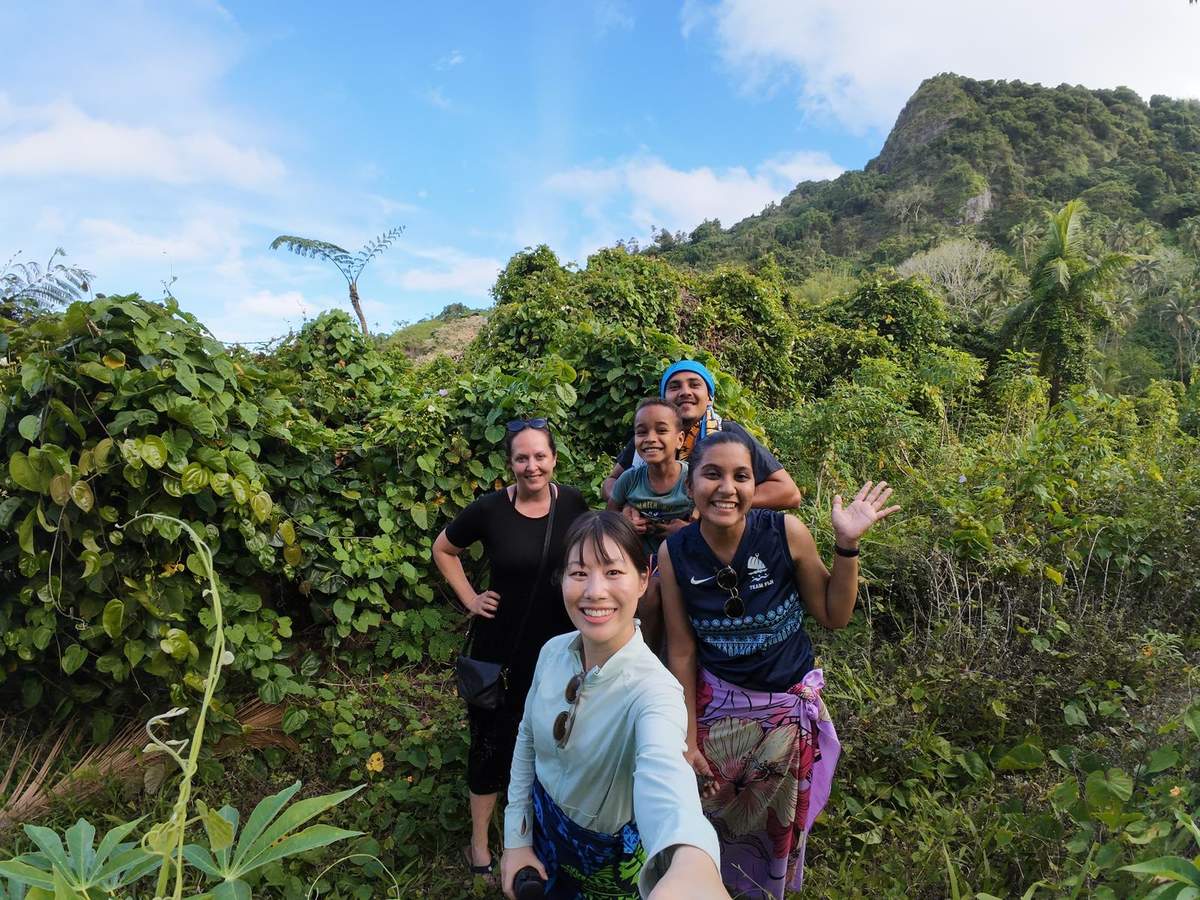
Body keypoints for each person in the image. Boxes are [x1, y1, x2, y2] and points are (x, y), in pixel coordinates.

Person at [659, 432, 900, 899]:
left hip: (787, 719)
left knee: (774, 832)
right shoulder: (676, 552)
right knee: (707, 819)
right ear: (690, 486)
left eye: (740, 476)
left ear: (755, 486)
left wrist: (846, 545)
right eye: (712, 474)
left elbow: (834, 615)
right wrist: (686, 740)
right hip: (718, 716)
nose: (726, 487)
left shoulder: (785, 533)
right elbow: (683, 650)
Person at [501, 511, 730, 900]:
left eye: (612, 572)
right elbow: (526, 738)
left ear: (644, 579)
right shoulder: (553, 651)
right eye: (578, 573)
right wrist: (516, 837)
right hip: (541, 838)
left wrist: (693, 861)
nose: (594, 591)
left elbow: (667, 779)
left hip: (606, 866)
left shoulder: (654, 691)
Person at [433, 418, 590, 877]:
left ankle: (536, 831)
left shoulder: (574, 503)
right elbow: (444, 549)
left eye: (540, 456)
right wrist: (470, 598)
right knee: (490, 743)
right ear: (510, 464)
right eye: (521, 457)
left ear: (554, 459)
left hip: (560, 647)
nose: (531, 465)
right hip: (500, 649)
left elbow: (590, 556)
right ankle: (480, 844)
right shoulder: (489, 510)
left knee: (554, 737)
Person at [601, 360, 801, 511]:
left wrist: (712, 504)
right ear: (664, 399)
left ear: (710, 398)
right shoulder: (650, 436)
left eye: (695, 385)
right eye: (674, 386)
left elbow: (788, 493)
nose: (685, 392)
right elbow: (610, 483)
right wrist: (630, 504)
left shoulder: (729, 433)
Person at [606, 397, 694, 651]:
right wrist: (624, 523)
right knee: (648, 592)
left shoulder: (691, 479)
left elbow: (709, 526)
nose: (650, 438)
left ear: (679, 439)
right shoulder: (629, 481)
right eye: (641, 431)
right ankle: (647, 655)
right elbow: (608, 524)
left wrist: (686, 532)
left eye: (661, 430)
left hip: (682, 561)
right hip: (639, 562)